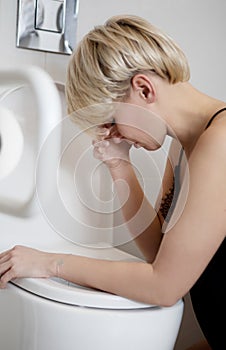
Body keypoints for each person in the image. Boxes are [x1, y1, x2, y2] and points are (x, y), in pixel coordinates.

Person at [0, 15, 225, 350]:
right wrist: (120, 165)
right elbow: (160, 255)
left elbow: (164, 287)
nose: (111, 133)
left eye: (111, 120)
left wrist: (50, 263)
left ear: (144, 88)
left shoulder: (220, 142)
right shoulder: (184, 147)